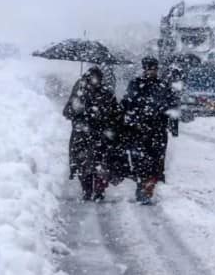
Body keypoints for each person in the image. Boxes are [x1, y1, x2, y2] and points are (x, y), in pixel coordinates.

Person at [121, 56, 178, 205]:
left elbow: (172, 106)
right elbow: (127, 104)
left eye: (154, 69)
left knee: (155, 162)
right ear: (144, 69)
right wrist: (129, 121)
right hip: (139, 130)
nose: (151, 72)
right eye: (149, 69)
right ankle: (142, 188)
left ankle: (148, 189)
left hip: (157, 130)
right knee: (140, 162)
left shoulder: (163, 86)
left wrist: (173, 125)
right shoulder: (136, 84)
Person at [62, 66, 123, 201]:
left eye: (97, 78)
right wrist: (77, 109)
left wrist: (109, 123)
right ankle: (87, 189)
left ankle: (100, 190)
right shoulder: (80, 92)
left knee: (102, 163)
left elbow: (116, 113)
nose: (95, 81)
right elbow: (67, 112)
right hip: (82, 135)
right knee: (83, 164)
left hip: (101, 135)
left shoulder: (106, 94)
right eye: (93, 78)